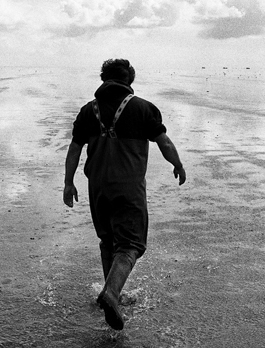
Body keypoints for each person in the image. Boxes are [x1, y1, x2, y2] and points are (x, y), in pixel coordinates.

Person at [63, 58, 186, 330]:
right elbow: (163, 141)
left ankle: (111, 292)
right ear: (129, 80)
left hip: (97, 187)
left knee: (108, 240)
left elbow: (74, 149)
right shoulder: (143, 109)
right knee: (131, 244)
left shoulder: (88, 111)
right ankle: (112, 293)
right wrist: (177, 163)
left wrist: (68, 183)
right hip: (128, 188)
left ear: (104, 79)